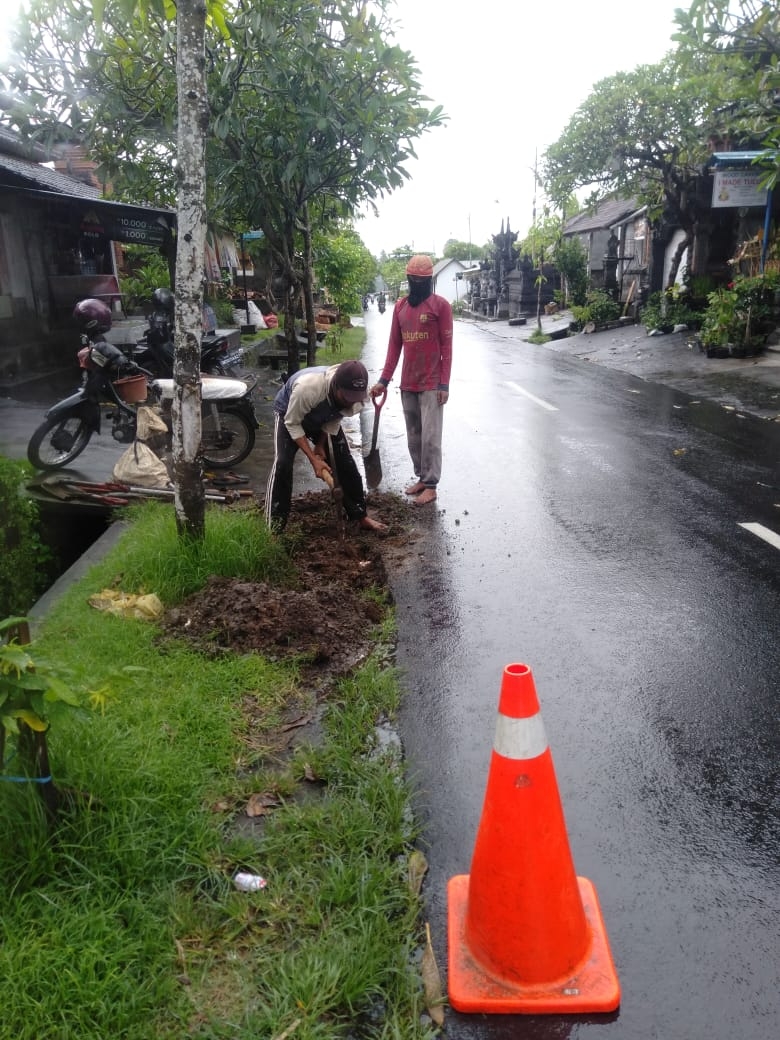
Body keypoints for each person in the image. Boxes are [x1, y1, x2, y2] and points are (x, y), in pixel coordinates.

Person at [265, 360, 387, 533]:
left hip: (324, 416)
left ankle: (360, 516)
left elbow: (336, 416)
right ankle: (273, 529)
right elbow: (293, 423)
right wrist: (314, 460)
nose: (350, 402)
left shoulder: (356, 399)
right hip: (290, 413)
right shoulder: (308, 388)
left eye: (354, 398)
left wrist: (321, 445)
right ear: (336, 387)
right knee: (283, 464)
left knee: (345, 463)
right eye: (347, 397)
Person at [370, 254, 453, 505]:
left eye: (421, 280)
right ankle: (421, 476)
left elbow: (447, 347)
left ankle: (431, 485)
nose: (416, 283)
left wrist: (444, 384)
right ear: (408, 279)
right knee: (414, 436)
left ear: (428, 281)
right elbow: (394, 346)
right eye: (412, 280)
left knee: (430, 438)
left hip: (431, 383)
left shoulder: (441, 306)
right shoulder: (400, 307)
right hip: (408, 383)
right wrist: (384, 380)